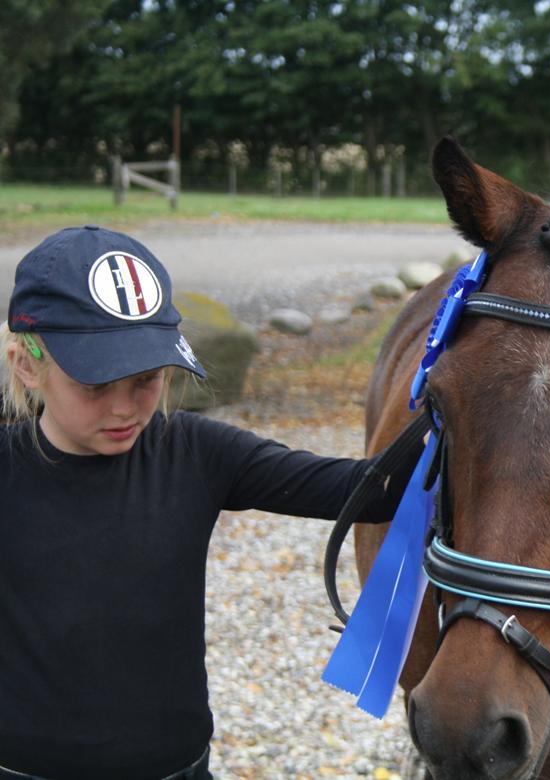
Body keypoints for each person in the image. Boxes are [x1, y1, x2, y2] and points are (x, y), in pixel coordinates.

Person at [0, 226, 404, 780]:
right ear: (27, 365)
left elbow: (368, 491)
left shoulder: (195, 452)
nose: (125, 408)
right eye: (95, 385)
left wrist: (457, 403)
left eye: (145, 379)